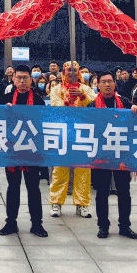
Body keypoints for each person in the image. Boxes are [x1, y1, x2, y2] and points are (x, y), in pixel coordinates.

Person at [0, 66, 47, 237]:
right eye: (19, 78)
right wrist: (4, 111)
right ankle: (11, 222)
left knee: (33, 188)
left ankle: (37, 224)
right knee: (13, 187)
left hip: (32, 150)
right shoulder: (6, 99)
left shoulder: (39, 101)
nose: (22, 81)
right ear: (13, 79)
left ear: (31, 80)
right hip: (12, 150)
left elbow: (44, 124)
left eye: (25, 78)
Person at [89, 72, 136, 239]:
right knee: (102, 192)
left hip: (121, 154)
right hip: (101, 155)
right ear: (98, 85)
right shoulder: (91, 106)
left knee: (124, 191)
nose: (107, 85)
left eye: (110, 81)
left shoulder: (125, 103)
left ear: (115, 84)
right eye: (104, 82)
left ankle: (125, 226)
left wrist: (136, 110)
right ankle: (103, 226)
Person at [47, 61, 94, 219]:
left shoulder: (85, 88)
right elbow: (55, 105)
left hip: (82, 134)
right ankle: (56, 202)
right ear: (63, 72)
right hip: (63, 133)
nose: (72, 73)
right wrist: (68, 102)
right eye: (69, 70)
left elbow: (95, 103)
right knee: (60, 169)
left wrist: (82, 96)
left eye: (75, 70)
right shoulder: (56, 89)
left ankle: (82, 203)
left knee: (83, 170)